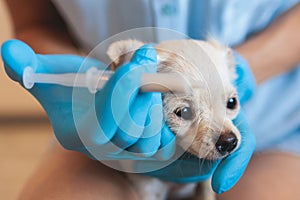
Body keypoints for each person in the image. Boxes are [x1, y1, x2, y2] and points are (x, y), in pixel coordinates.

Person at [3, 0, 300, 199]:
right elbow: (36, 20)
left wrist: (248, 66)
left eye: (229, 102)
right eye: (183, 111)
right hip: (110, 135)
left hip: (274, 125)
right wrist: (81, 90)